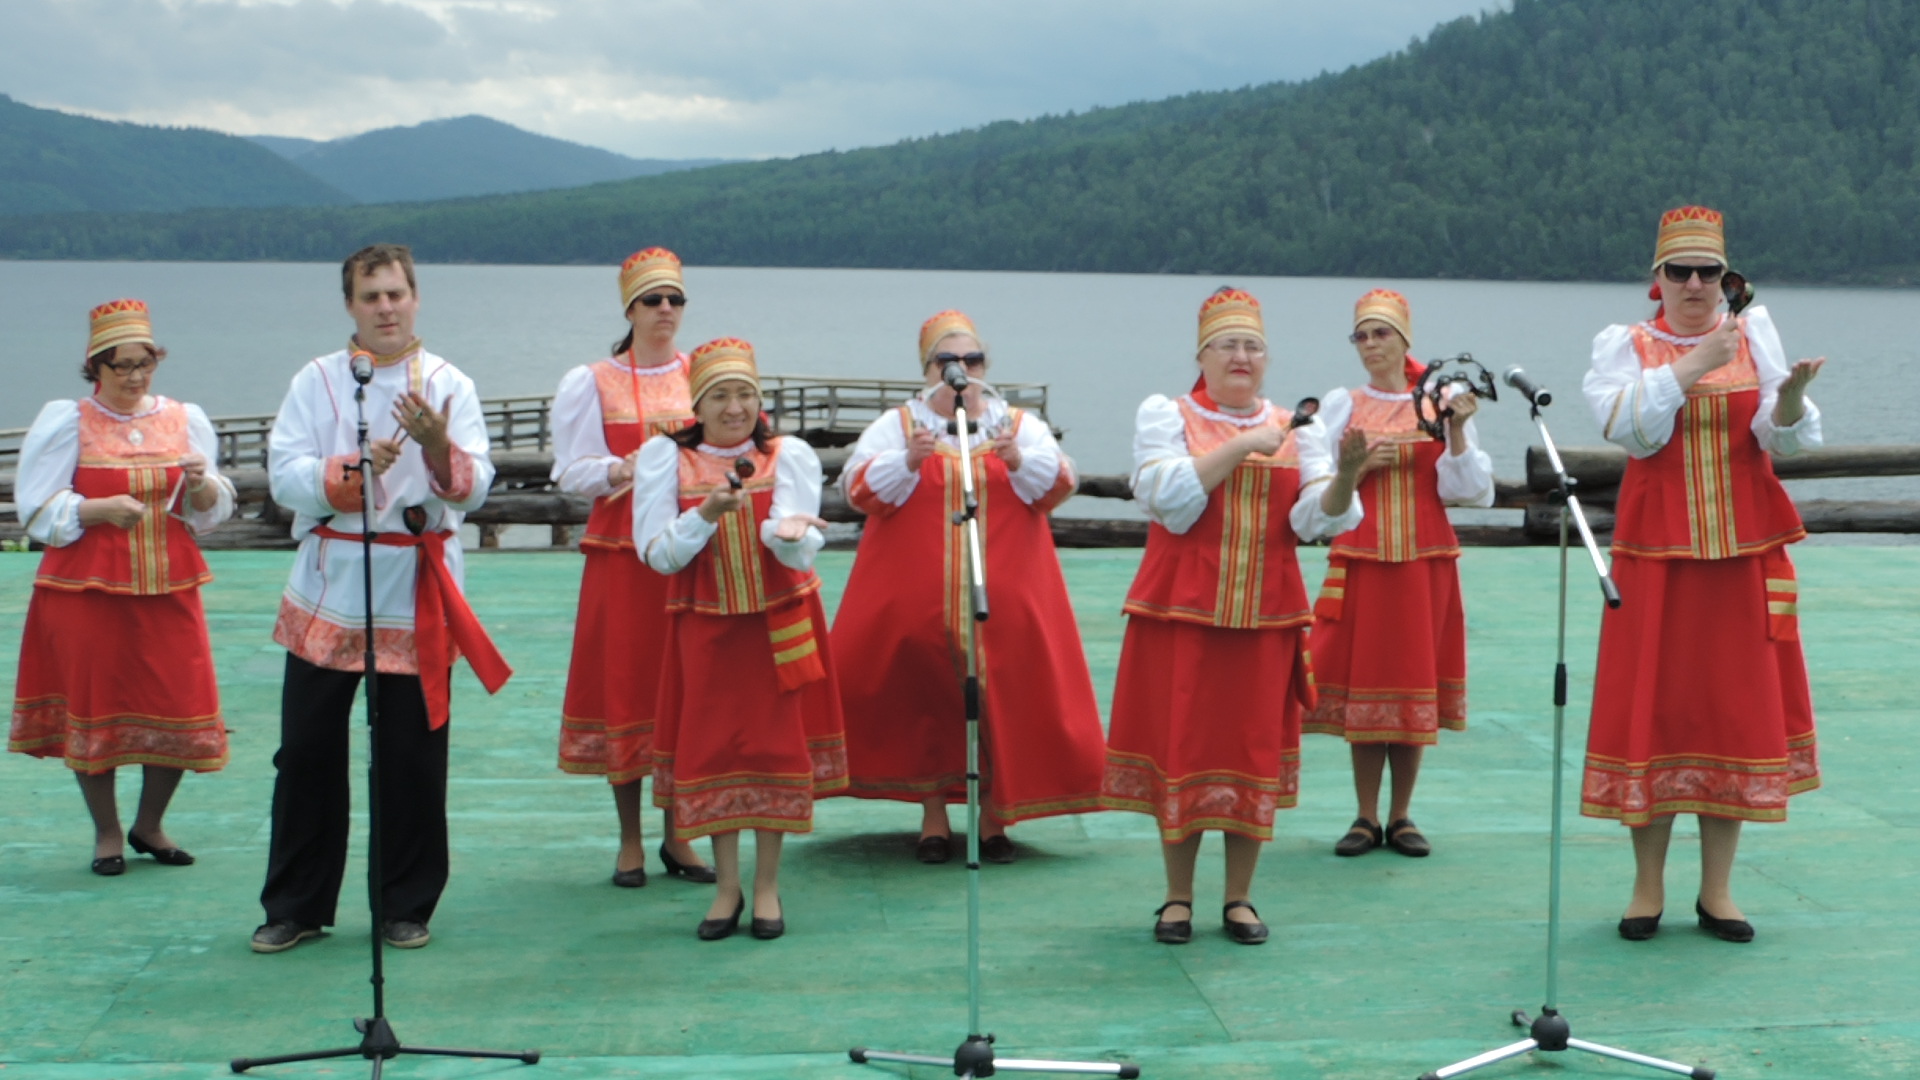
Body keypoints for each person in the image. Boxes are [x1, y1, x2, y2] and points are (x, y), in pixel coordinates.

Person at [252, 244, 512, 954]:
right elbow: (284, 475)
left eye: (396, 294)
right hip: (332, 580)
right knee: (306, 750)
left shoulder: (451, 383)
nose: (386, 308)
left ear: (416, 298)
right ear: (351, 306)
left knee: (412, 753)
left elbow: (477, 484)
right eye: (371, 297)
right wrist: (351, 469)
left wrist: (437, 447)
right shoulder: (317, 381)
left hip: (415, 583)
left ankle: (406, 903)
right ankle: (297, 903)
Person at [1581, 206, 1823, 944]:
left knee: (1731, 713)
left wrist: (1786, 400)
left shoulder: (1756, 332)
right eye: (1679, 271)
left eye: (1707, 271)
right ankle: (1646, 885)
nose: (1694, 282)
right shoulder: (1623, 345)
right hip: (1656, 557)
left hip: (1743, 554)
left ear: (1727, 277)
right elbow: (1629, 430)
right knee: (1652, 711)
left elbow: (1786, 439)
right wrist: (1693, 362)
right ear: (1656, 280)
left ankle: (1717, 890)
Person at [1101, 287, 1368, 945]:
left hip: (1264, 620)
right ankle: (1177, 897)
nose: (1242, 356)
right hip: (1182, 614)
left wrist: (1347, 477)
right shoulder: (1169, 415)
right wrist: (1247, 441)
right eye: (1228, 345)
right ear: (1204, 356)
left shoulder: (1297, 430)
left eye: (1252, 346)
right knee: (1183, 751)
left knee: (1251, 756)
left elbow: (1313, 522)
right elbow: (1172, 502)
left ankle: (1240, 897)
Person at [832, 311, 1105, 865]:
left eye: (971, 360)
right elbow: (858, 490)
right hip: (916, 603)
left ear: (986, 367)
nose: (960, 371)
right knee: (923, 698)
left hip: (1004, 599)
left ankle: (993, 817)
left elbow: (1059, 485)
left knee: (1002, 698)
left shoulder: (1016, 425)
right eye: (947, 361)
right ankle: (933, 815)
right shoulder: (899, 426)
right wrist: (905, 462)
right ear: (928, 369)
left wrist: (1019, 459)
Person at [9, 299, 236, 875]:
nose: (136, 378)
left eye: (145, 364)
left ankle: (149, 824)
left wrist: (203, 488)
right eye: (122, 366)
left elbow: (208, 510)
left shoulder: (183, 417)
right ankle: (107, 832)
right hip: (87, 592)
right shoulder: (68, 420)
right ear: (96, 367)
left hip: (168, 588)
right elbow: (35, 507)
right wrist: (96, 509)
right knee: (96, 706)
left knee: (178, 703)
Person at [632, 337, 847, 941]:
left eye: (745, 394)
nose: (735, 408)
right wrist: (706, 514)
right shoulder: (663, 459)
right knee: (717, 750)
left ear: (760, 400)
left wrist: (788, 532)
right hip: (705, 626)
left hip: (778, 622)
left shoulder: (790, 454)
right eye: (721, 396)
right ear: (697, 406)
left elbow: (797, 547)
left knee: (775, 751)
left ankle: (768, 885)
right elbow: (657, 557)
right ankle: (726, 887)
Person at [1301, 290, 1494, 858]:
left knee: (1411, 690)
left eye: (1380, 333)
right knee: (1367, 691)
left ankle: (1402, 814)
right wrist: (1355, 469)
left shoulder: (1438, 400)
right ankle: (1365, 815)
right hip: (1362, 557)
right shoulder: (1343, 404)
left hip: (1422, 560)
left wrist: (1456, 432)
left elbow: (1471, 491)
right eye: (1361, 335)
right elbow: (1317, 487)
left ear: (1405, 339)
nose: (1370, 345)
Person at [550, 247, 714, 887]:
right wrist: (626, 469)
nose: (666, 310)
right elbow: (570, 470)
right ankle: (629, 839)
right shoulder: (592, 381)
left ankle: (679, 833)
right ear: (631, 308)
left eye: (675, 299)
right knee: (626, 687)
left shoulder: (701, 374)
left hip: (685, 553)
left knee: (683, 687)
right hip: (621, 556)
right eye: (653, 300)